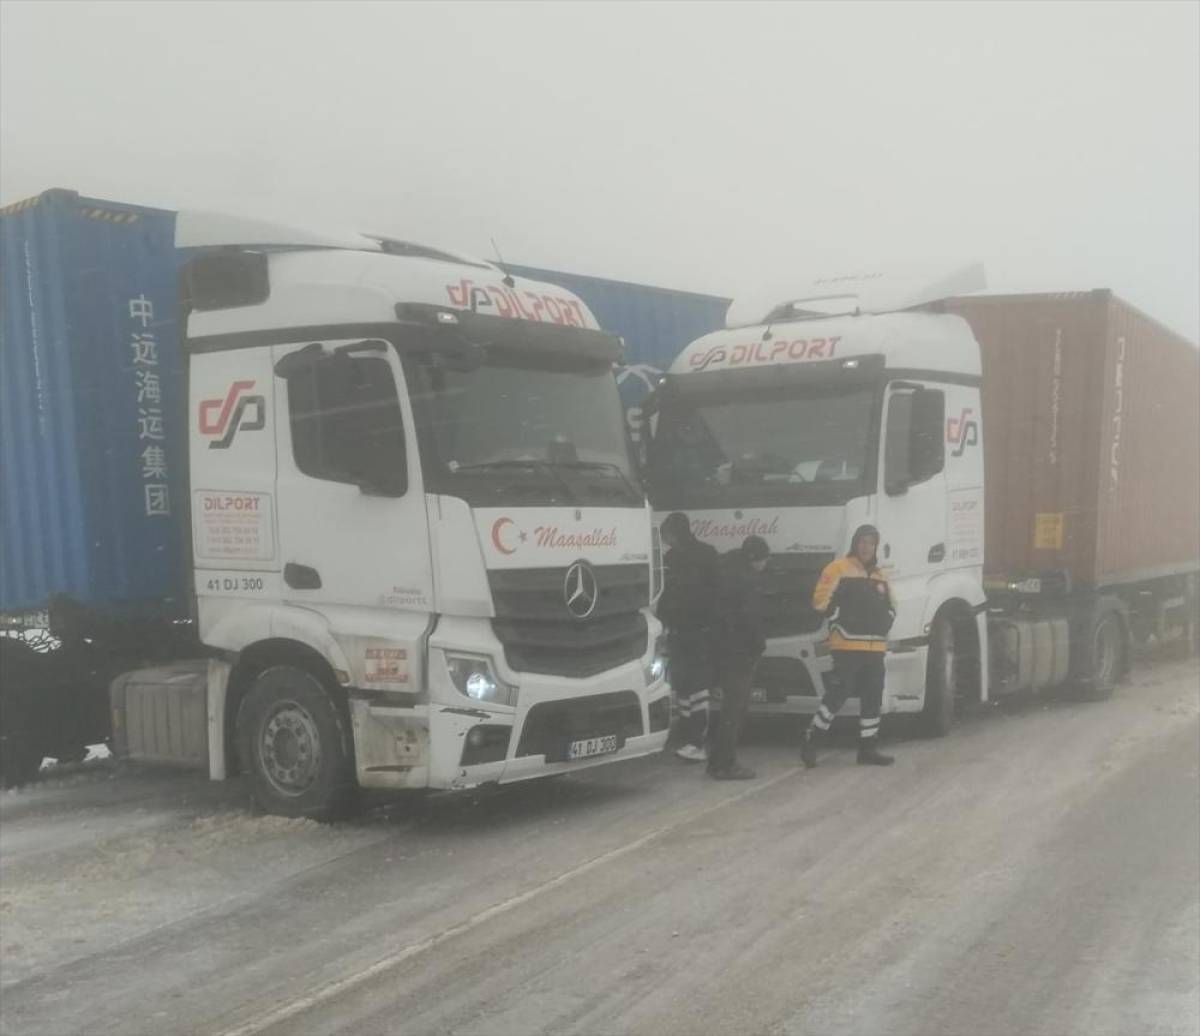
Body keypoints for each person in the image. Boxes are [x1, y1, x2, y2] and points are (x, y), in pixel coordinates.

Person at [801, 524, 896, 767]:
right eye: (862, 542)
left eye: (871, 543)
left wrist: (887, 620)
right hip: (847, 644)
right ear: (855, 543)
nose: (866, 547)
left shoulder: (880, 574)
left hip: (875, 648)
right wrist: (838, 616)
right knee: (838, 693)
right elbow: (819, 601)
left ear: (876, 547)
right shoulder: (838, 568)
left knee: (873, 697)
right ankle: (812, 739)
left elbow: (893, 605)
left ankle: (868, 749)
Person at [658, 512, 720, 762]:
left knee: (686, 686)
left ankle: (692, 739)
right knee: (696, 687)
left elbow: (665, 595)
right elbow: (717, 592)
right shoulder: (708, 553)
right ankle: (694, 738)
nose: (666, 541)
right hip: (701, 630)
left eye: (667, 536)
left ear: (674, 533)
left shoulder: (671, 559)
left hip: (680, 630)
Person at [708, 534, 770, 780]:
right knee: (735, 710)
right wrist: (759, 646)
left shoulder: (725, 572)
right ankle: (725, 764)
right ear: (756, 559)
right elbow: (751, 619)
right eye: (764, 560)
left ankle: (716, 761)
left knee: (728, 709)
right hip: (741, 652)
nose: (765, 565)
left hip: (722, 648)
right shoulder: (748, 580)